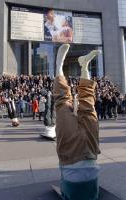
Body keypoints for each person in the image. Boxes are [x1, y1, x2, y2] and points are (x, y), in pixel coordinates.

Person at [53, 44, 101, 200]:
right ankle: (84, 65)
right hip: (91, 152)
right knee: (88, 107)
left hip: (70, 153)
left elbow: (64, 191)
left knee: (62, 102)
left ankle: (59, 66)